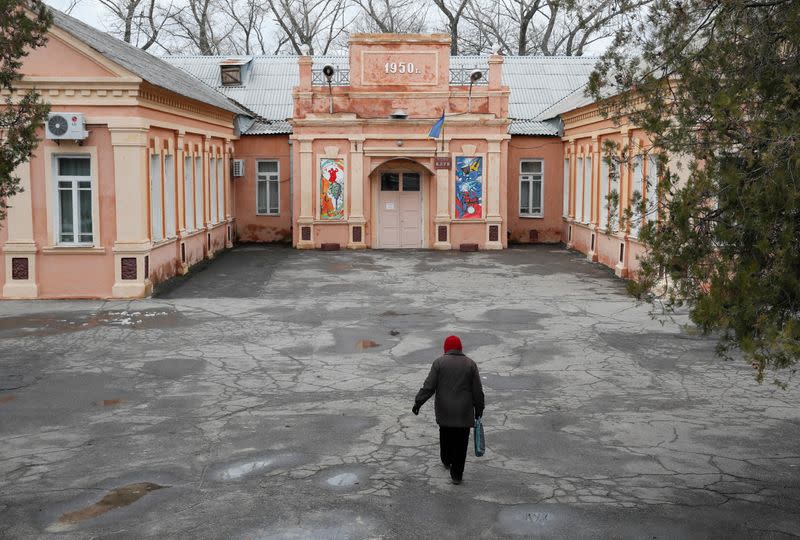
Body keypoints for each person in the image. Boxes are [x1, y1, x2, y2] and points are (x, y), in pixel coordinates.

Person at [412, 335, 485, 485]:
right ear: (460, 348)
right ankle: (457, 475)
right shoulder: (470, 364)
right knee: (461, 442)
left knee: (446, 436)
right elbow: (477, 390)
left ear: (446, 348)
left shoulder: (439, 363)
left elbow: (429, 386)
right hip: (464, 412)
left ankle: (446, 460)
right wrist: (479, 408)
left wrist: (418, 402)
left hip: (444, 410)